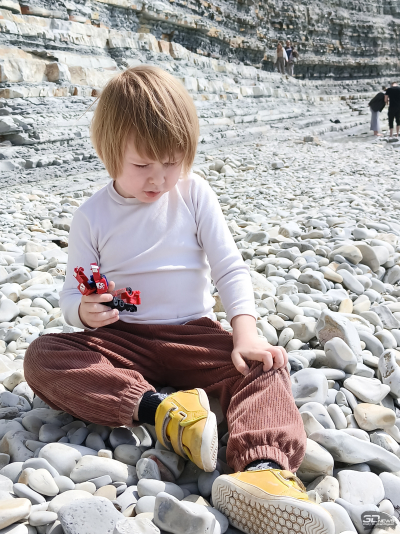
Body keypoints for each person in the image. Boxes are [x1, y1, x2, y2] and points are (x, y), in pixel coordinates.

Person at [23, 66, 335, 534]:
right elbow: (74, 293)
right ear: (110, 153)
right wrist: (84, 311)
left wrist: (246, 335)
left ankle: (263, 470)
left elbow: (230, 268)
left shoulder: (193, 193)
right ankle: (161, 412)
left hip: (192, 334)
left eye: (171, 162)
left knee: (266, 366)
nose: (158, 178)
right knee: (42, 355)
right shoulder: (91, 216)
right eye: (142, 166)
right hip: (122, 340)